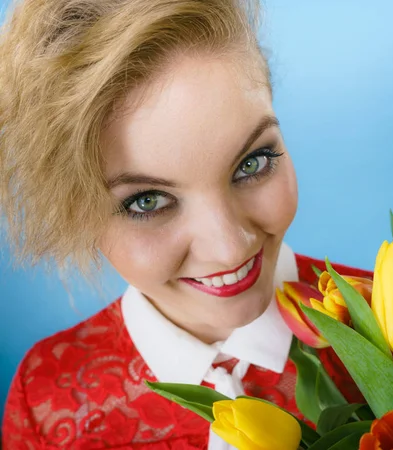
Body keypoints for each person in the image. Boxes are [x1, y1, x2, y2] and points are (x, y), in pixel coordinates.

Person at [0, 0, 374, 447]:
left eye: (252, 162)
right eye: (148, 200)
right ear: (73, 209)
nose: (230, 248)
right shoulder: (44, 401)